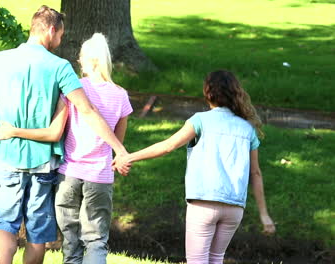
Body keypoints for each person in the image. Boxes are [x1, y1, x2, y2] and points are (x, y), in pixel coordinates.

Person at [0, 6, 128, 264]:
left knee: (5, 223)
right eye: (60, 34)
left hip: (5, 155)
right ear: (51, 30)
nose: (60, 41)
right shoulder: (60, 67)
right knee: (38, 232)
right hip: (43, 163)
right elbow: (87, 109)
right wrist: (118, 147)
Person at [114, 70, 276, 264]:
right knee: (216, 259)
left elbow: (168, 146)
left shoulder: (200, 120)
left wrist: (129, 157)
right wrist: (264, 215)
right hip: (234, 207)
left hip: (204, 204)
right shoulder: (248, 129)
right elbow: (256, 173)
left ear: (207, 92)